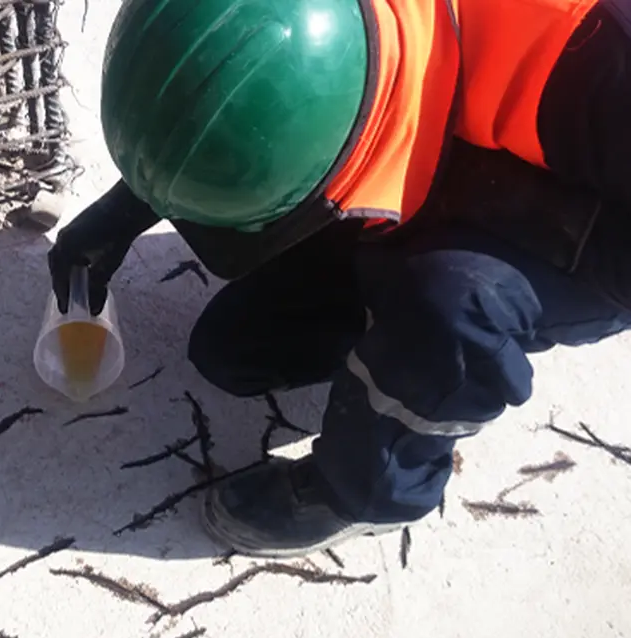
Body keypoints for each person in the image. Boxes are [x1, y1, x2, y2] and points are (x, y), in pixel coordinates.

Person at [47, 0, 631, 557]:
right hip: (458, 110)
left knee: (452, 300)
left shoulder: (601, 59)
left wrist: (480, 205)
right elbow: (237, 67)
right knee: (236, 350)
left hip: (594, 235)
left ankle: (369, 492)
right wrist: (134, 202)